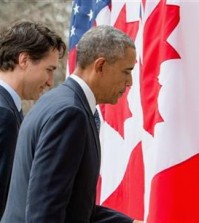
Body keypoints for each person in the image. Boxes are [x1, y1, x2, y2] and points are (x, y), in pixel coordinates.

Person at [1, 25, 140, 223]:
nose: (130, 82)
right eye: (126, 71)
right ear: (100, 66)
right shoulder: (70, 113)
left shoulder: (59, 102)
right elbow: (46, 212)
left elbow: (74, 207)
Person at [0, 21, 66, 219]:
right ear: (24, 60)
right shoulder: (4, 115)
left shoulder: (10, 109)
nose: (50, 82)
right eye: (49, 69)